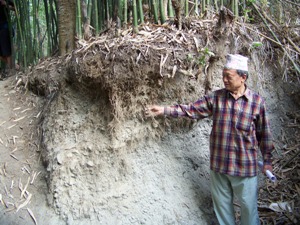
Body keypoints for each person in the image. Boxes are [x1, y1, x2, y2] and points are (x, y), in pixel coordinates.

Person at [145, 54, 274, 225]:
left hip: (245, 168)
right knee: (223, 212)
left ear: (243, 78)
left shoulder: (257, 102)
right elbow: (191, 110)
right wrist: (165, 110)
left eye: (229, 76)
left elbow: (264, 134)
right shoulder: (216, 98)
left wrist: (267, 161)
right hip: (219, 167)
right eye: (223, 76)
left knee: (248, 212)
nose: (224, 80)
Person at [0, 0, 15, 78]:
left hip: (5, 27)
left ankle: (11, 71)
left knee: (6, 51)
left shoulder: (7, 0)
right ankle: (15, 66)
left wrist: (6, 4)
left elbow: (15, 9)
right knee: (1, 54)